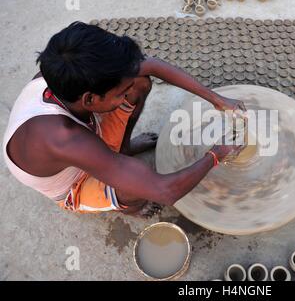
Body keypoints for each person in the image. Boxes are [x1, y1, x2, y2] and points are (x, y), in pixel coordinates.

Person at [2, 21, 245, 214]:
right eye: (120, 93)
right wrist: (217, 154)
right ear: (90, 100)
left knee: (138, 82)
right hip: (73, 183)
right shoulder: (64, 139)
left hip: (84, 138)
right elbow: (165, 192)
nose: (125, 95)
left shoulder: (70, 73)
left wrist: (216, 100)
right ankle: (129, 207)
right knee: (138, 188)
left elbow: (152, 66)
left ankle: (123, 149)